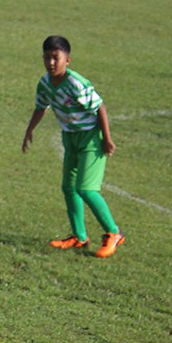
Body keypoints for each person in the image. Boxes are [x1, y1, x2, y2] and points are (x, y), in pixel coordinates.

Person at [22, 35, 125, 258]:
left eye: (56, 58)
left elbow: (100, 107)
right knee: (69, 188)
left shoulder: (75, 83)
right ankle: (79, 237)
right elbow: (41, 107)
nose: (51, 63)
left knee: (86, 189)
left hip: (91, 139)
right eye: (47, 57)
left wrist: (107, 139)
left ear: (67, 60)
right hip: (70, 137)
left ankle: (114, 233)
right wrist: (29, 130)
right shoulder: (45, 83)